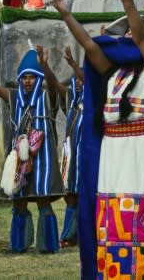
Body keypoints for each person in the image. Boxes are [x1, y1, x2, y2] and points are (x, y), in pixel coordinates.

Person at [53, 0, 144, 280]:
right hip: (113, 154)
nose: (124, 37)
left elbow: (141, 40)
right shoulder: (113, 71)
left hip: (143, 152)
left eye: (129, 30)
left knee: (142, 214)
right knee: (111, 217)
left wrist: (128, 3)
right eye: (123, 31)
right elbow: (89, 44)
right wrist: (66, 14)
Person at [0, 43, 63, 253]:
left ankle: (47, 245)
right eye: (24, 77)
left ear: (38, 78)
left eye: (31, 77)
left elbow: (52, 86)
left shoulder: (46, 97)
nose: (27, 81)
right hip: (19, 159)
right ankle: (19, 243)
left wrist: (46, 67)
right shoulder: (15, 98)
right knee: (19, 203)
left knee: (43, 201)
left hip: (42, 159)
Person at [58, 47, 84, 249]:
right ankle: (69, 233)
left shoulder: (93, 107)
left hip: (87, 158)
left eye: (82, 81)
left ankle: (85, 234)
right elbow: (58, 88)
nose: (78, 85)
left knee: (85, 195)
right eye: (76, 81)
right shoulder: (72, 107)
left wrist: (74, 65)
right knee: (71, 196)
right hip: (71, 157)